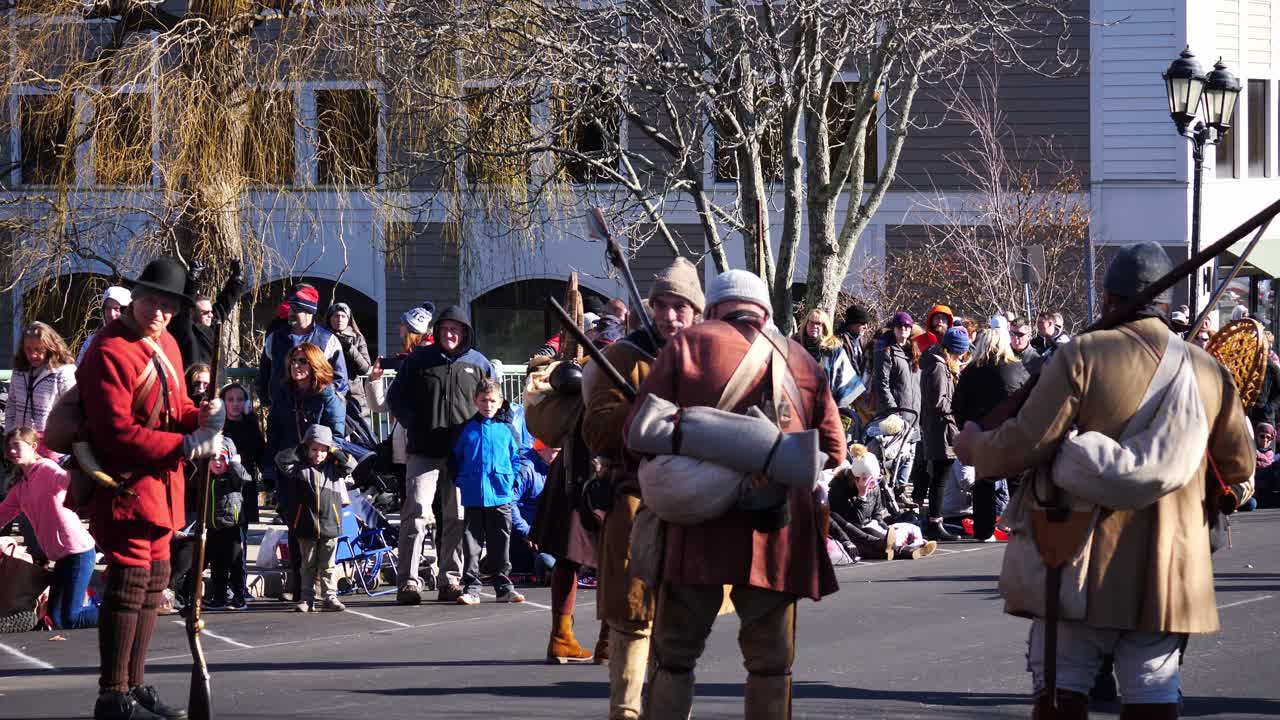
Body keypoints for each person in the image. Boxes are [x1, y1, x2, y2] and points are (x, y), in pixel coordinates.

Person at [953, 242, 1255, 720]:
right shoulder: (1207, 369)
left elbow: (1025, 444)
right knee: (1153, 689)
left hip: (1076, 555)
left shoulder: (1082, 354)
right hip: (1168, 564)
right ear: (1164, 304)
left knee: (1062, 684)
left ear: (1111, 300)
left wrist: (974, 448)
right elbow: (1238, 470)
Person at [624, 269, 845, 719]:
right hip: (774, 534)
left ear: (714, 308)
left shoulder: (687, 345)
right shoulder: (802, 360)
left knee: (674, 659)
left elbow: (635, 434)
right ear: (763, 311)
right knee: (770, 665)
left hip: (697, 531)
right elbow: (834, 452)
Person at [77, 257, 221, 720]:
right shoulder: (108, 350)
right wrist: (186, 442)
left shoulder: (168, 348)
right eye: (153, 302)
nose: (160, 312)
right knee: (128, 586)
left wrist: (204, 418)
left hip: (161, 486)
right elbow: (116, 434)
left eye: (168, 306)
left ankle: (134, 685)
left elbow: (175, 406)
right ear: (135, 298)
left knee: (154, 584)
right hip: (126, 485)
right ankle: (112, 695)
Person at [583, 256, 703, 717]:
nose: (671, 316)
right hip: (634, 499)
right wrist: (647, 414)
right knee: (633, 619)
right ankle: (627, 712)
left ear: (696, 310)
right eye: (662, 306)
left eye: (681, 306)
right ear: (650, 308)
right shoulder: (625, 356)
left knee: (681, 626)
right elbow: (597, 430)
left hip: (693, 502)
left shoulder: (707, 357)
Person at [387, 305, 495, 604]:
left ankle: (451, 580)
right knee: (416, 514)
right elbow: (395, 397)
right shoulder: (419, 360)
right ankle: (408, 582)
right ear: (437, 331)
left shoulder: (479, 364)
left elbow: (494, 400)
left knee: (456, 517)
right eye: (445, 328)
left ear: (465, 333)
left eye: (456, 329)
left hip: (462, 455)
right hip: (424, 451)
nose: (450, 334)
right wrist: (414, 422)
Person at [0, 427, 99, 629]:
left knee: (71, 618)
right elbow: (2, 514)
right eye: (8, 447)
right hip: (61, 557)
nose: (11, 451)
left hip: (78, 552)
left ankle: (121, 610)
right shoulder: (20, 486)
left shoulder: (46, 468)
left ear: (33, 447)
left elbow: (69, 481)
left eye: (17, 446)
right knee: (55, 618)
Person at [953, 320, 1030, 541]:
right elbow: (1029, 402)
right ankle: (1021, 525)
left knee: (984, 484)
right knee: (1017, 483)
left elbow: (958, 406)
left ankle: (984, 530)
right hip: (1013, 435)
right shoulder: (1018, 369)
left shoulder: (970, 373)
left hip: (983, 436)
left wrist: (968, 428)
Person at [453, 380, 526, 606]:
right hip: (474, 495)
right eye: (483, 400)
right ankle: (472, 587)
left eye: (492, 400)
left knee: (500, 543)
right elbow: (455, 459)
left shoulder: (507, 429)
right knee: (472, 543)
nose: (488, 404)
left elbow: (518, 458)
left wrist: (512, 480)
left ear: (500, 402)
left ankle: (504, 587)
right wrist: (462, 481)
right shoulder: (466, 429)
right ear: (475, 401)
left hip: (501, 494)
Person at [275, 424, 354, 613]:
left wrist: (333, 449)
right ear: (307, 448)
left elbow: (351, 464)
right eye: (314, 449)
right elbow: (281, 459)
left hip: (330, 523)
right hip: (306, 524)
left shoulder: (334, 468)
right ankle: (306, 598)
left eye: (323, 450)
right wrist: (301, 448)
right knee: (307, 564)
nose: (318, 454)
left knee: (328, 565)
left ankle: (330, 596)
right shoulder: (299, 468)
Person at [827, 446, 937, 561]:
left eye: (876, 480)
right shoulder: (839, 489)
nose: (874, 484)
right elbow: (854, 522)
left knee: (900, 529)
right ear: (857, 478)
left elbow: (877, 514)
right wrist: (862, 496)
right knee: (870, 536)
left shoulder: (874, 486)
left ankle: (908, 546)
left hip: (869, 525)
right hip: (850, 530)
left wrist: (885, 529)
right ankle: (906, 551)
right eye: (871, 481)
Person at [256, 284, 348, 409]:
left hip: (316, 414)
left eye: (296, 309)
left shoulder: (329, 341)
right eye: (290, 308)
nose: (290, 312)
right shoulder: (275, 338)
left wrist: (328, 405)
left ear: (309, 312)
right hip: (281, 412)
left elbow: (340, 381)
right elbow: (264, 373)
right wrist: (267, 401)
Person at [920, 326, 970, 541]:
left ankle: (935, 521)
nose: (961, 357)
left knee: (941, 475)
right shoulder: (938, 367)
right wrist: (957, 403)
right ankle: (934, 522)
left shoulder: (938, 363)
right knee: (940, 476)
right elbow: (939, 401)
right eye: (960, 352)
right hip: (941, 429)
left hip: (942, 428)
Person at [218, 383, 262, 601]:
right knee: (223, 541)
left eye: (238, 400)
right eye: (230, 399)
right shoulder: (217, 426)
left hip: (244, 489)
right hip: (221, 491)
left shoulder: (251, 426)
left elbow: (261, 455)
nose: (234, 404)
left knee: (240, 539)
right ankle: (222, 586)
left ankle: (240, 586)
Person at [873, 312, 922, 495]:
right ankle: (888, 493)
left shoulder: (913, 351)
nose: (903, 329)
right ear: (894, 328)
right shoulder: (886, 350)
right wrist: (894, 411)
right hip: (895, 415)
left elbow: (917, 385)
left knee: (910, 453)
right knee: (892, 456)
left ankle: (901, 492)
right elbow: (882, 384)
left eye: (907, 327)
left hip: (914, 413)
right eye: (900, 326)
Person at [6, 321, 78, 442]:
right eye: (28, 349)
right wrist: (9, 435)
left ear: (50, 348)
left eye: (39, 350)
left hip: (51, 446)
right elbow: (11, 405)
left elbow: (72, 411)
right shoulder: (19, 371)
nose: (33, 355)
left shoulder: (64, 372)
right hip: (22, 447)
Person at [171, 259, 246, 370]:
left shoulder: (210, 326)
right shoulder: (184, 330)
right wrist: (192, 280)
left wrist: (237, 279)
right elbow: (184, 307)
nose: (211, 315)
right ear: (192, 314)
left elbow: (224, 304)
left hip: (214, 382)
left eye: (211, 312)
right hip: (194, 383)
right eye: (205, 313)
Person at [205, 437, 250, 611]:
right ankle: (219, 596)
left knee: (235, 564)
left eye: (222, 458)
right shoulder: (208, 478)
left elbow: (245, 478)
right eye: (213, 458)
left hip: (232, 526)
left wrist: (235, 464)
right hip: (214, 527)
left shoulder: (233, 476)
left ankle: (239, 596)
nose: (217, 463)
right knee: (217, 565)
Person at [799, 308, 864, 412]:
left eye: (818, 323)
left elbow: (845, 385)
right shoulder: (795, 346)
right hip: (796, 407)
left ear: (825, 327)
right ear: (805, 325)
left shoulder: (834, 351)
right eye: (811, 322)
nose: (814, 326)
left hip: (823, 410)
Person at [327, 302, 373, 435]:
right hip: (331, 392)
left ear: (349, 319)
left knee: (361, 435)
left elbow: (365, 368)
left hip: (354, 395)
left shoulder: (357, 338)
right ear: (330, 318)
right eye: (336, 316)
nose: (339, 319)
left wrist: (349, 348)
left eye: (343, 316)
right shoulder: (323, 337)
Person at [79, 286, 132, 362]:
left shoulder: (136, 341)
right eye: (108, 308)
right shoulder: (92, 342)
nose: (111, 314)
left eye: (116, 309)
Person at [840, 303, 872, 378]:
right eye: (863, 323)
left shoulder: (862, 341)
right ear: (852, 323)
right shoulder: (840, 342)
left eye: (867, 323)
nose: (866, 327)